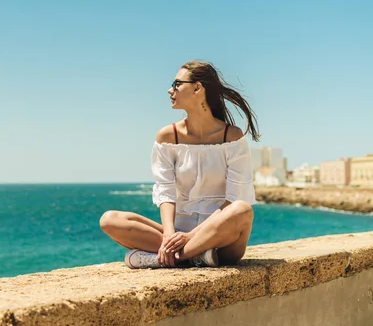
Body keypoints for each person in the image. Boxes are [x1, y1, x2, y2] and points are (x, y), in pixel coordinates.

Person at [99, 61, 260, 268]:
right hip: (177, 234)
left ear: (197, 88)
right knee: (109, 220)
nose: (170, 90)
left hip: (221, 239)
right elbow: (165, 192)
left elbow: (234, 199)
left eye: (176, 84)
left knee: (241, 210)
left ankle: (166, 258)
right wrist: (169, 234)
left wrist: (191, 237)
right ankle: (194, 256)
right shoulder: (168, 136)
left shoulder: (232, 137)